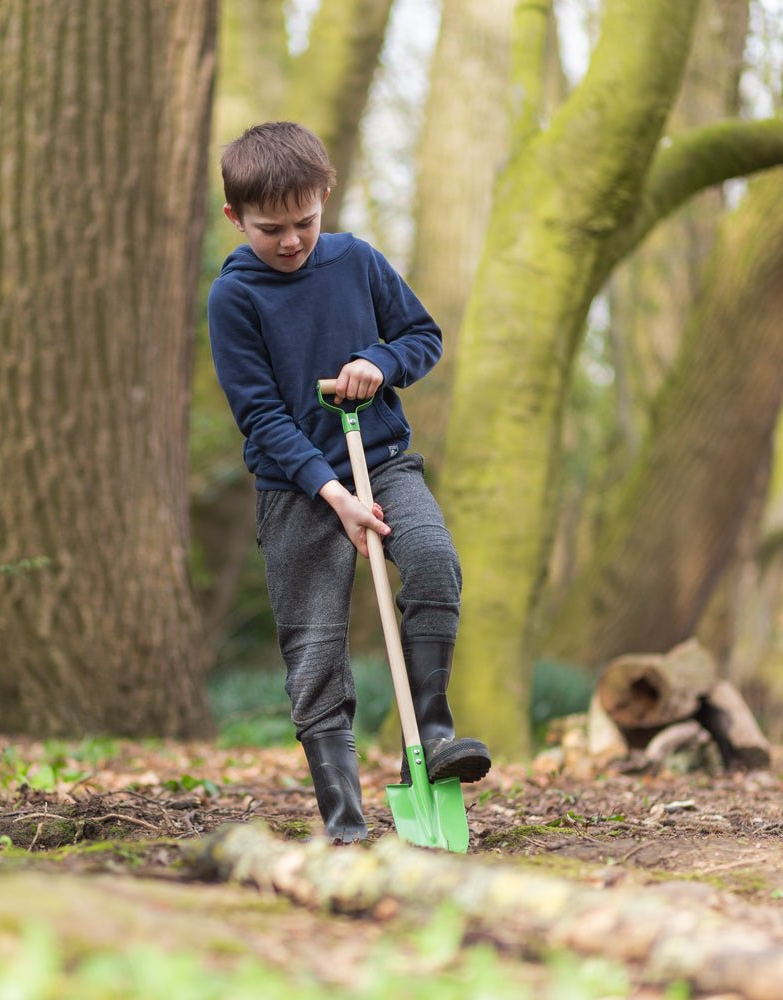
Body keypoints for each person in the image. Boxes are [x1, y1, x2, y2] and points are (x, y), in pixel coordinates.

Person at [207, 121, 491, 844]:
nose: (292, 241)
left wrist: (379, 362)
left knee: (433, 561)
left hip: (386, 460)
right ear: (235, 217)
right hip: (299, 490)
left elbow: (421, 336)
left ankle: (429, 738)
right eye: (271, 229)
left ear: (325, 197)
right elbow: (262, 416)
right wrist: (332, 495)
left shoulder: (358, 263)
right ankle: (344, 821)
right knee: (316, 652)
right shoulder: (234, 299)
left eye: (305, 221)